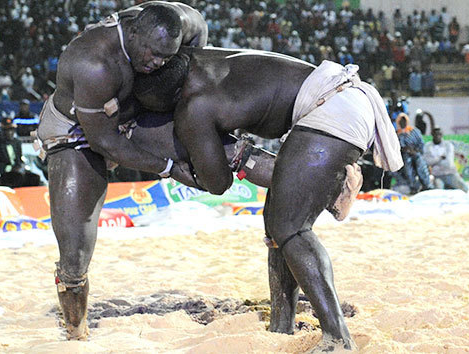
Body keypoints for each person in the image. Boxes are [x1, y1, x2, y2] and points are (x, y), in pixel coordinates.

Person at [130, 48, 403, 351]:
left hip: (331, 111)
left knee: (292, 228)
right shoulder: (198, 59)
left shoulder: (192, 108)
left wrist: (170, 168)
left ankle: (338, 338)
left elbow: (218, 184)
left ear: (165, 100)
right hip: (338, 98)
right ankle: (282, 325)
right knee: (275, 223)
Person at [35, 1, 208, 341]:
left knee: (220, 150)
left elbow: (198, 33)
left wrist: (179, 83)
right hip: (78, 131)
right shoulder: (92, 61)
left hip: (134, 115)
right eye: (151, 53)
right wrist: (168, 168)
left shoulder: (184, 21)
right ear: (132, 32)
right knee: (74, 250)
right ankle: (75, 330)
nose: (156, 63)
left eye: (165, 57)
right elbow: (105, 142)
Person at [0, 117, 41, 188]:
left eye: (12, 130)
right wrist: (9, 168)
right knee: (17, 178)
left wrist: (21, 167)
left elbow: (19, 160)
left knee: (34, 178)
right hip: (2, 173)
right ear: (2, 130)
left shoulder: (16, 142)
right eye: (7, 130)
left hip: (16, 172)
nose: (10, 132)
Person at [394, 113, 432, 193]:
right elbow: (395, 147)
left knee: (420, 164)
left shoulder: (414, 131)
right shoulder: (396, 134)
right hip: (404, 155)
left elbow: (421, 144)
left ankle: (427, 185)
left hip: (416, 152)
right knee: (408, 167)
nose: (402, 123)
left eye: (404, 121)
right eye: (400, 121)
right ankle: (414, 186)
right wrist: (403, 149)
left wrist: (415, 150)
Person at [424, 128, 469, 192]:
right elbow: (427, 161)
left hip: (451, 174)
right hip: (438, 176)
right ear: (432, 134)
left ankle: (450, 186)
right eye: (435, 134)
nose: (437, 136)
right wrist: (440, 158)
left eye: (439, 134)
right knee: (437, 191)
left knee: (465, 188)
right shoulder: (427, 146)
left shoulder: (448, 145)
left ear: (442, 135)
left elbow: (448, 163)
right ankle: (448, 186)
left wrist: (434, 162)